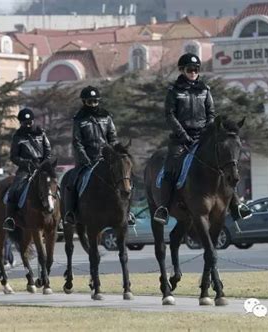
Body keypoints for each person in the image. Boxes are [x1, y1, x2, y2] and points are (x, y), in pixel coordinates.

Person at [153, 53, 252, 225]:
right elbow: (170, 116)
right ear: (182, 70)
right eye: (190, 69)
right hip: (180, 139)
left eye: (196, 69)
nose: (193, 72)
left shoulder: (205, 89)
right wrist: (183, 135)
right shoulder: (174, 91)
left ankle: (235, 204)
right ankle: (164, 208)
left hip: (203, 136)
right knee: (170, 168)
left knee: (223, 164)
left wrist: (207, 132)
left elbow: (211, 114)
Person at [63, 86, 134, 226]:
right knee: (71, 182)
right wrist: (85, 159)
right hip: (87, 160)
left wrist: (116, 153)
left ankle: (128, 212)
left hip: (106, 159)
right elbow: (77, 142)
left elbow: (112, 138)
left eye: (96, 101)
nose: (93, 104)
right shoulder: (79, 119)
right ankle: (71, 213)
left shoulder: (106, 117)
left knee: (126, 179)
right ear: (84, 102)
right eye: (90, 102)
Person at [3, 108, 52, 231]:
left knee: (54, 186)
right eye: (25, 123)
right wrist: (26, 163)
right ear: (21, 123)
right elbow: (13, 156)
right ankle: (10, 218)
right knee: (14, 189)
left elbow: (48, 152)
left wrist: (43, 163)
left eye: (30, 122)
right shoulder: (17, 137)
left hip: (41, 167)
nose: (28, 124)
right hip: (26, 169)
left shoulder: (41, 133)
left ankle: (59, 218)